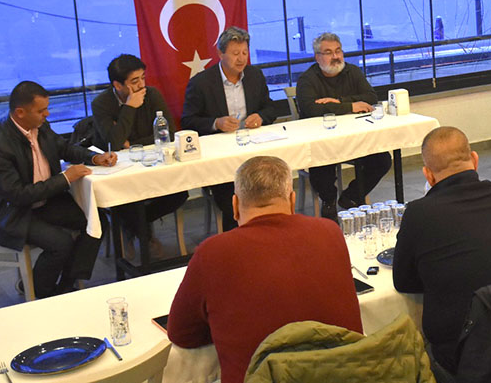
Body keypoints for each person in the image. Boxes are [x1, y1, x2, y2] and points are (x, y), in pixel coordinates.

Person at [167, 155, 362, 383]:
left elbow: (182, 334)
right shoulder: (329, 232)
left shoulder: (212, 252)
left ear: (235, 207)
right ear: (292, 201)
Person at [393, 126, 491, 375]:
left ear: (428, 175)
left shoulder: (419, 213)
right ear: (474, 160)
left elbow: (403, 281)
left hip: (461, 354)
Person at [0, 81, 117, 298]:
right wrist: (65, 179)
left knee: (95, 222)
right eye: (41, 110)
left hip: (42, 202)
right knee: (60, 243)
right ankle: (42, 293)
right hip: (9, 214)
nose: (47, 114)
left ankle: (66, 287)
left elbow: (65, 149)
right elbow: (17, 195)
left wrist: (94, 157)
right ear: (20, 112)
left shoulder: (40, 127)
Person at [182, 26, 286, 230]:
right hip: (222, 156)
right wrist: (216, 123)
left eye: (245, 53)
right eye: (235, 53)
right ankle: (237, 238)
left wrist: (261, 117)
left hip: (255, 149)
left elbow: (270, 107)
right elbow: (188, 121)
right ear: (220, 54)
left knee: (272, 189)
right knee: (233, 200)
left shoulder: (255, 75)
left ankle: (270, 232)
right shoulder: (201, 83)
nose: (241, 59)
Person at [91, 54, 187, 257]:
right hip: (119, 170)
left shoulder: (152, 95)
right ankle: (144, 236)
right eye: (134, 81)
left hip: (153, 163)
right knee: (126, 199)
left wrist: (131, 144)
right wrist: (129, 107)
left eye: (143, 77)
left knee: (180, 192)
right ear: (117, 85)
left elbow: (167, 133)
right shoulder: (101, 103)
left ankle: (131, 227)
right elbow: (114, 143)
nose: (142, 85)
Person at [295, 32, 391, 219]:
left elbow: (371, 97)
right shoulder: (307, 79)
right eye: (328, 52)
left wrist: (339, 101)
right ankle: (328, 202)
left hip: (355, 138)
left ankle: (351, 196)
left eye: (338, 51)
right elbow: (311, 109)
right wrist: (351, 106)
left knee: (383, 160)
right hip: (322, 140)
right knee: (322, 162)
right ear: (317, 57)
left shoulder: (352, 71)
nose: (335, 56)